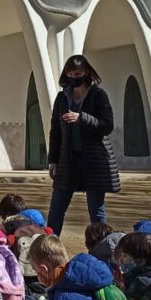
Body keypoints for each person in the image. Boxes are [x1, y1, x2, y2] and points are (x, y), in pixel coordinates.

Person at [46, 55, 121, 236]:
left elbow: (107, 125)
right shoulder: (62, 98)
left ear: (86, 72)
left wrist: (82, 118)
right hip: (68, 161)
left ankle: (101, 247)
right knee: (56, 208)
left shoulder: (98, 95)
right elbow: (55, 131)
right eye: (70, 73)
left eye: (77, 73)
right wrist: (53, 161)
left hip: (94, 161)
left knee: (96, 211)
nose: (74, 77)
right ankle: (48, 247)